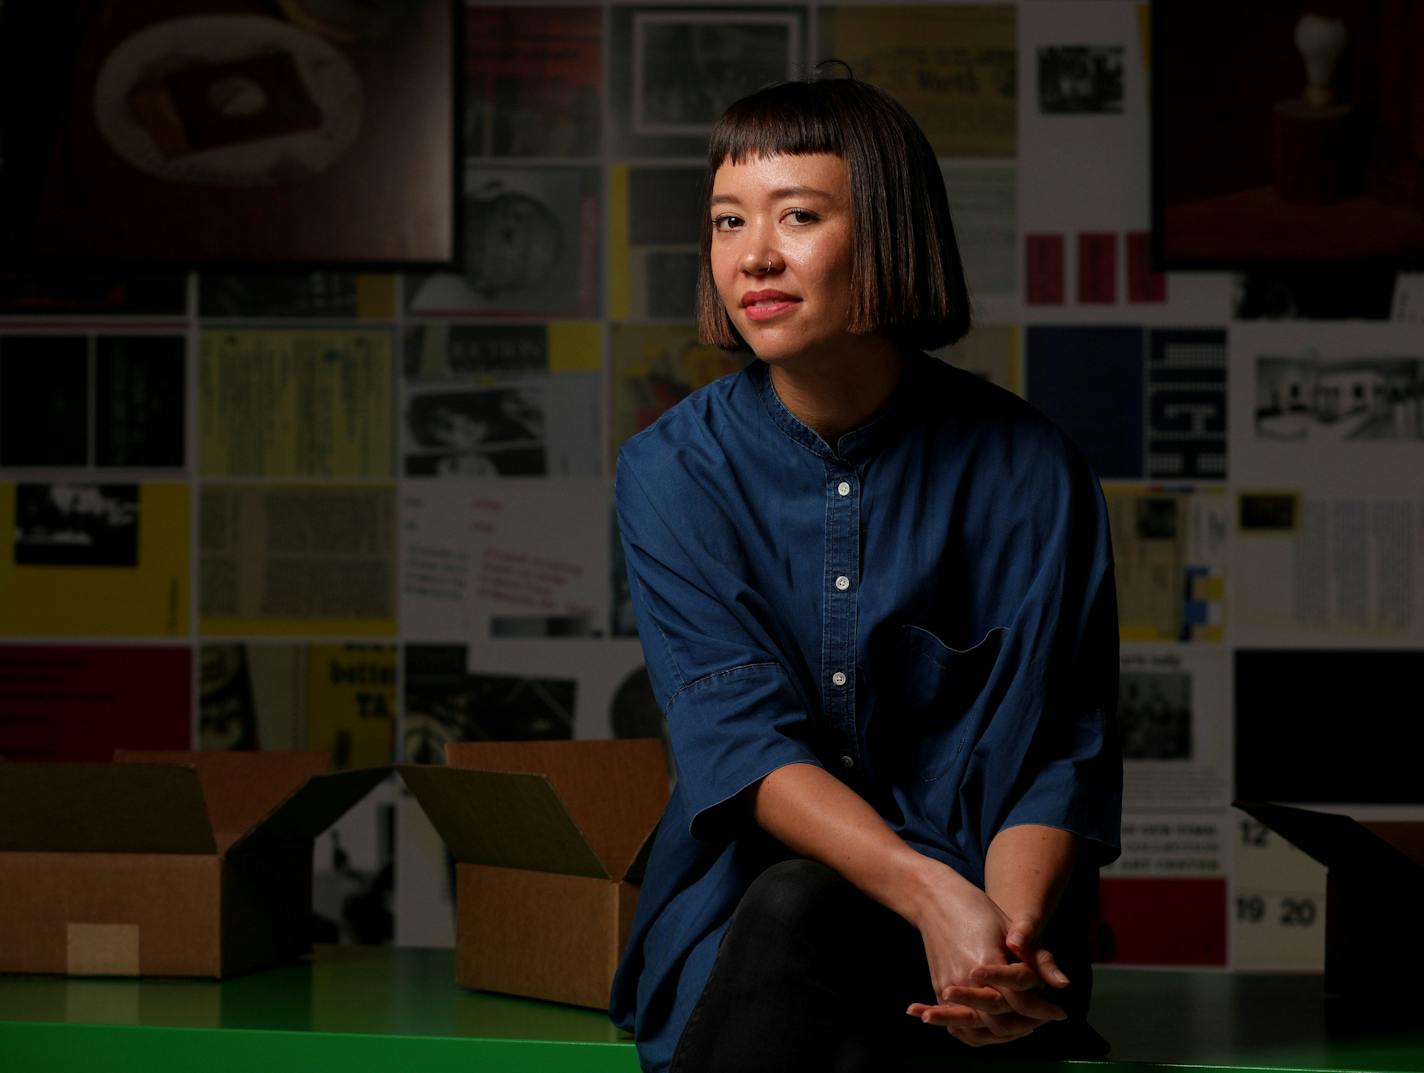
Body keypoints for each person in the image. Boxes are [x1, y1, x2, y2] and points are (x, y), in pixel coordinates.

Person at [609, 71, 1122, 1073]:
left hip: (996, 911)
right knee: (796, 905)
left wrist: (996, 942)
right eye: (725, 222)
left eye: (797, 215)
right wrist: (932, 894)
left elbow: (1058, 750)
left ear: (887, 231)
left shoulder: (1027, 466)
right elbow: (738, 741)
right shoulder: (670, 470)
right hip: (744, 924)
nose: (751, 255)